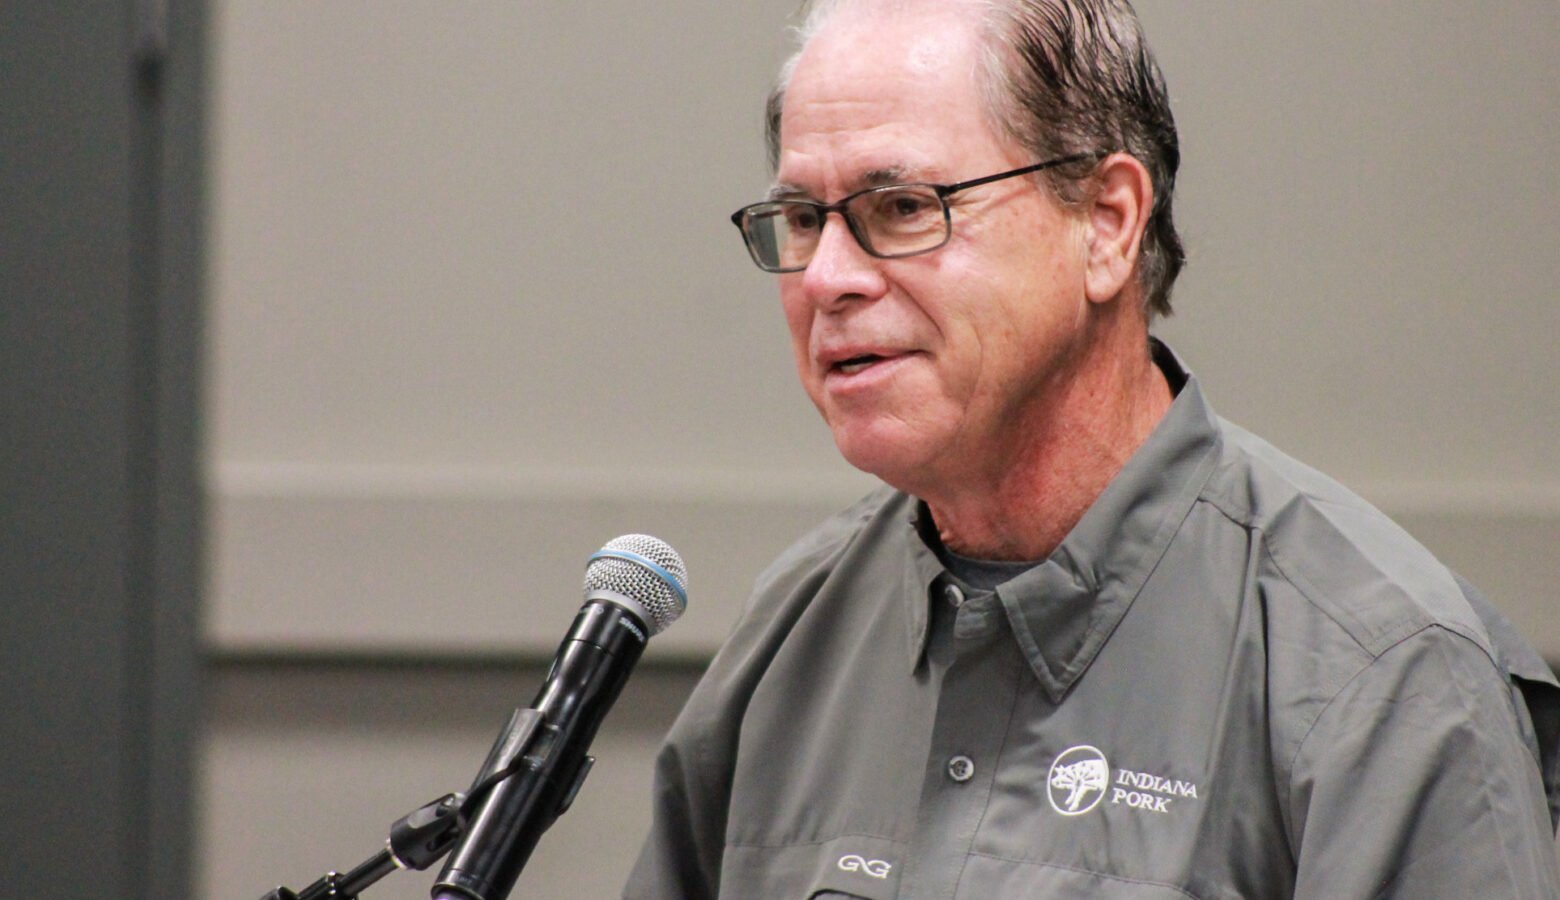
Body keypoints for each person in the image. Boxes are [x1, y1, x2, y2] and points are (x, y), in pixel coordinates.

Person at [624, 0, 1560, 896]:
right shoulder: (793, 636)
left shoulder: (1382, 675)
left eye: (903, 206)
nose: (826, 277)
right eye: (799, 219)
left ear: (1108, 223)